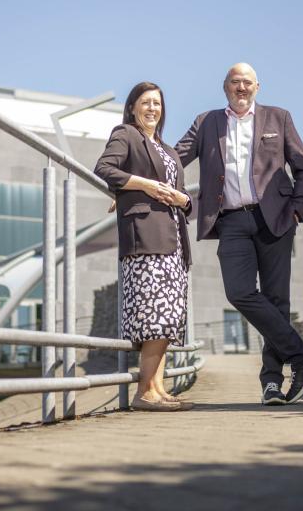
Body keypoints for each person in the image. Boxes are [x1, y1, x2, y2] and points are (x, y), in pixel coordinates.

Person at [176, 63, 303, 405]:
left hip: (274, 218)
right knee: (239, 292)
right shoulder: (207, 122)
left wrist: (299, 209)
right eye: (234, 82)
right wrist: (136, 178)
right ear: (224, 86)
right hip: (230, 220)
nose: (240, 87)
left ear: (258, 86)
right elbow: (174, 156)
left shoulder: (279, 117)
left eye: (247, 82)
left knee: (276, 301)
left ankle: (272, 382)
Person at [94, 81, 194, 412]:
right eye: (146, 102)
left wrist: (184, 199)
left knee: (168, 316)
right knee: (154, 315)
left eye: (157, 103)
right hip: (146, 238)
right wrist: (144, 186)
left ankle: (158, 388)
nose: (152, 108)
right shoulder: (125, 134)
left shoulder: (166, 148)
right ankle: (144, 392)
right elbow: (105, 169)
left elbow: (178, 194)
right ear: (133, 106)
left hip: (174, 240)